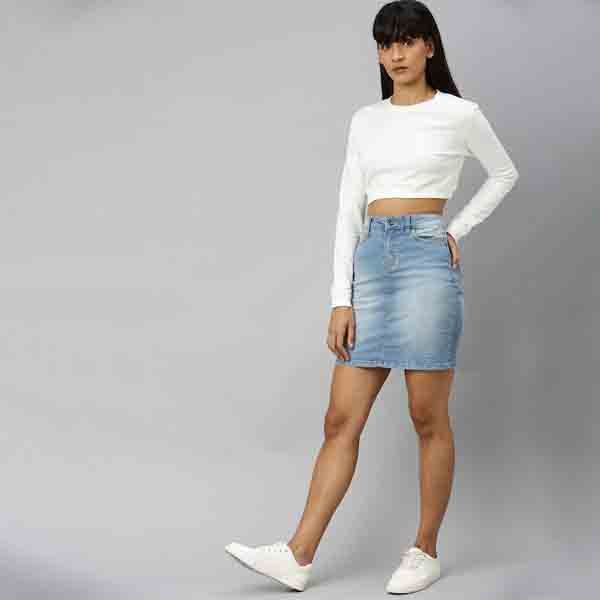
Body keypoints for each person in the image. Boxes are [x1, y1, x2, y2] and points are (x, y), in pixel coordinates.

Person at [225, 0, 519, 593]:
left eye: (407, 41)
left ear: (429, 46)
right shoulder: (366, 120)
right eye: (385, 44)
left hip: (427, 263)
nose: (396, 54)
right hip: (372, 265)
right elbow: (348, 211)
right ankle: (299, 554)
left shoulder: (460, 114)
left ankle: (425, 550)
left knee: (427, 417)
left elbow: (504, 173)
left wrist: (456, 229)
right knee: (340, 419)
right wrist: (342, 298)